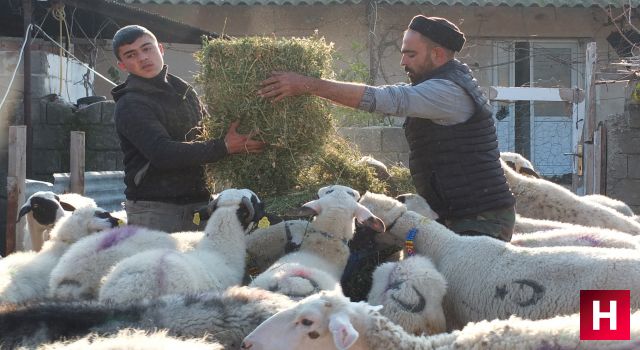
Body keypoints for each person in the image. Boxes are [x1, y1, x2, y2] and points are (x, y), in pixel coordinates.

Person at [258, 15, 515, 241]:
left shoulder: (447, 91)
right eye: (403, 52)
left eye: (410, 54)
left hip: (481, 220)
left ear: (437, 54)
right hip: (456, 213)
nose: (402, 61)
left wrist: (307, 85)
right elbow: (392, 94)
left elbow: (387, 99)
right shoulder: (439, 83)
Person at [111, 25, 266, 233]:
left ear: (161, 49)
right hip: (156, 212)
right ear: (122, 65)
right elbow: (162, 153)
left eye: (147, 48)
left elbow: (208, 131)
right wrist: (224, 147)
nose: (143, 58)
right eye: (131, 55)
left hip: (199, 206)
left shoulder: (184, 90)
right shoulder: (130, 104)